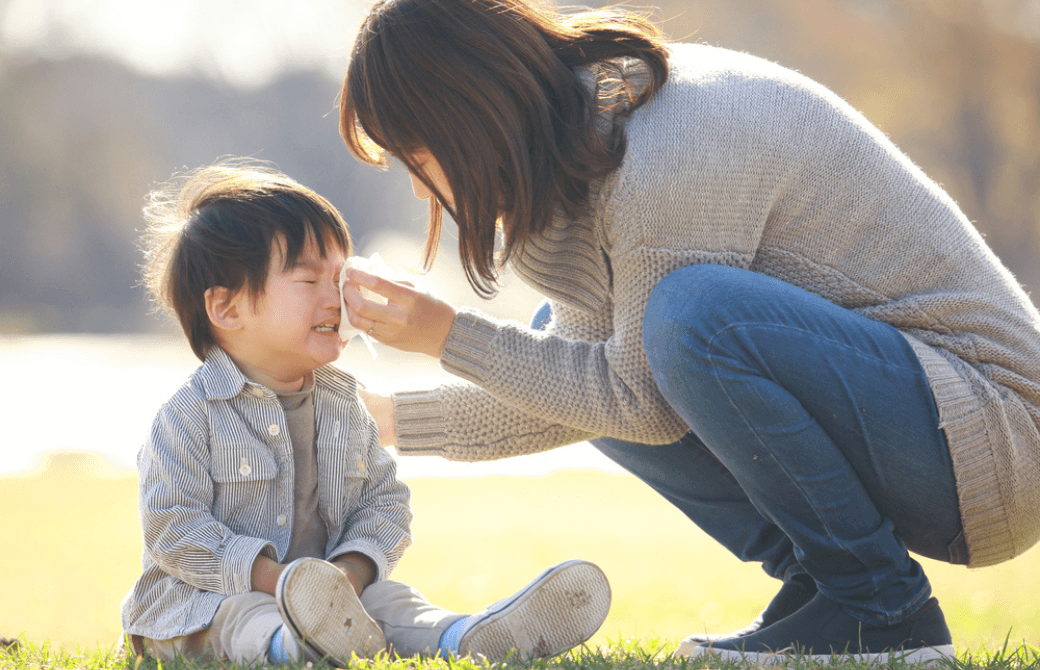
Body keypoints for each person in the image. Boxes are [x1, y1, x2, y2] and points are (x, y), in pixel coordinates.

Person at [335, 0, 1040, 664]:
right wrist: (383, 419)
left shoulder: (669, 150)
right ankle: (826, 585)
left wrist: (447, 335)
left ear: (467, 113)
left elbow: (637, 398)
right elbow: (586, 391)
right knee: (572, 349)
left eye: (416, 157)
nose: (421, 189)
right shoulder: (590, 140)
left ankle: (878, 607)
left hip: (995, 437)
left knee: (690, 315)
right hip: (933, 434)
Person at [120, 160, 612, 665]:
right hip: (200, 605)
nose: (336, 297)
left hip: (332, 597)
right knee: (242, 615)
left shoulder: (345, 405)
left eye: (341, 278)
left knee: (391, 602)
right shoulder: (188, 417)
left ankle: (464, 636)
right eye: (308, 280)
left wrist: (349, 575)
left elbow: (385, 503)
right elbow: (173, 529)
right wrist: (278, 580)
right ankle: (294, 647)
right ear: (227, 309)